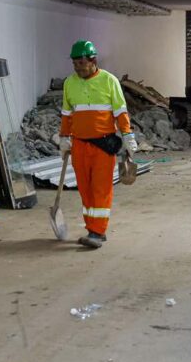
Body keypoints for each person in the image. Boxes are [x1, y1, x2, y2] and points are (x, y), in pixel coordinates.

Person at [59, 40, 139, 249]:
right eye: (75, 64)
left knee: (100, 189)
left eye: (82, 63)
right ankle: (91, 228)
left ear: (93, 60)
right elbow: (67, 114)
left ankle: (98, 231)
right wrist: (64, 138)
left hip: (103, 145)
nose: (78, 68)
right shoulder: (70, 83)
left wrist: (128, 135)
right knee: (85, 188)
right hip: (79, 144)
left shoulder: (109, 81)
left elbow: (120, 111)